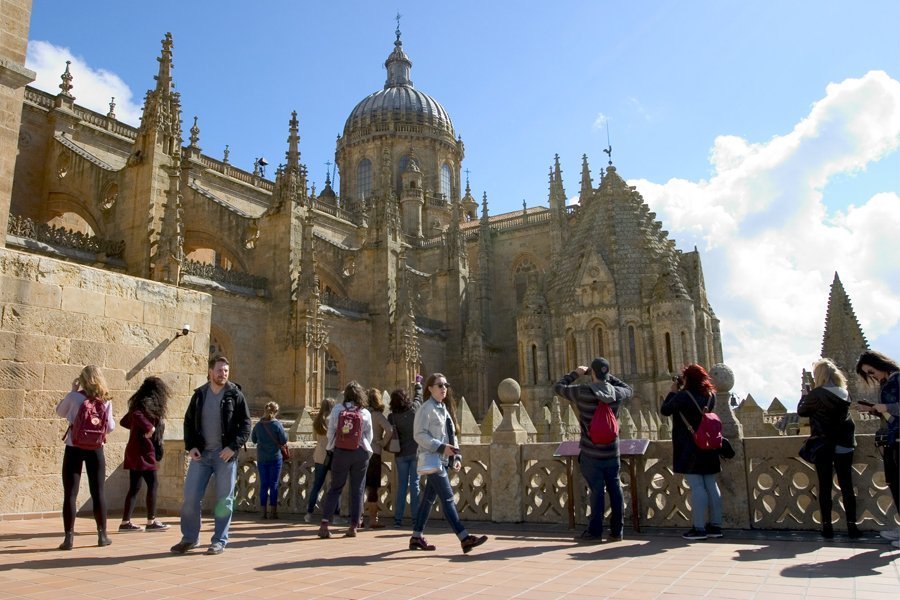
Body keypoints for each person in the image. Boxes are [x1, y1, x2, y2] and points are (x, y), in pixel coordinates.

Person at [170, 355, 251, 555]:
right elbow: (188, 423)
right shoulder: (200, 395)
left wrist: (233, 447)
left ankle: (219, 540)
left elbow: (246, 424)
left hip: (225, 456)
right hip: (202, 455)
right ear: (210, 372)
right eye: (219, 370)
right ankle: (189, 538)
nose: (223, 374)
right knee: (190, 498)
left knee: (224, 500)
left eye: (226, 371)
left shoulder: (235, 394)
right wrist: (192, 447)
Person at [554, 357, 633, 543]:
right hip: (612, 451)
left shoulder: (582, 392)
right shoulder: (617, 394)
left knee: (596, 491)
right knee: (615, 489)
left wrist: (578, 373)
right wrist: (607, 376)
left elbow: (558, 387)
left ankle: (595, 531)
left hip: (591, 452)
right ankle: (616, 531)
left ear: (593, 373)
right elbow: (629, 389)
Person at [408, 373, 488, 554]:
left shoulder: (443, 408)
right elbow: (419, 435)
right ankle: (464, 537)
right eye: (440, 385)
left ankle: (416, 537)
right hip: (432, 459)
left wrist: (456, 457)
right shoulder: (425, 409)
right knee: (448, 498)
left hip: (443, 460)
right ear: (429, 388)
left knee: (428, 499)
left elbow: (452, 435)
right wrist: (441, 447)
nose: (444, 388)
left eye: (446, 385)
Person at [797, 359, 860, 540]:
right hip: (844, 443)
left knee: (825, 486)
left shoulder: (816, 394)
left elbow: (802, 411)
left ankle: (827, 527)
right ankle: (852, 527)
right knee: (846, 485)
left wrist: (805, 394)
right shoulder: (844, 392)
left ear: (820, 376)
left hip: (824, 444)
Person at [55, 365, 116, 550]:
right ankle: (102, 535)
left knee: (70, 493)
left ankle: (68, 538)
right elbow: (111, 427)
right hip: (96, 449)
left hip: (74, 447)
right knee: (98, 492)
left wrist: (72, 392)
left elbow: (60, 412)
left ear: (82, 379)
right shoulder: (105, 400)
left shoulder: (74, 397)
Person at [660, 364, 723, 541]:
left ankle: (699, 528)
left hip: (690, 447)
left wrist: (673, 391)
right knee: (711, 484)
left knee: (697, 486)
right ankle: (716, 526)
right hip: (709, 445)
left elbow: (665, 410)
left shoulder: (682, 396)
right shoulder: (711, 396)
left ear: (687, 379)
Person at [855, 350, 900, 547]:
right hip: (892, 439)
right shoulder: (886, 383)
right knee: (894, 483)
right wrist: (872, 409)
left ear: (880, 364)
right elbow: (889, 416)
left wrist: (886, 407)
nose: (872, 377)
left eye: (871, 372)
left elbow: (893, 408)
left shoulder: (898, 379)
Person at [318, 381, 373, 539]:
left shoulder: (337, 409)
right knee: (358, 490)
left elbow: (331, 432)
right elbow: (369, 435)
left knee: (335, 488)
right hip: (360, 453)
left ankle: (324, 524)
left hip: (341, 453)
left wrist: (334, 447)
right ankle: (354, 526)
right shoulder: (365, 412)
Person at [118, 376, 171, 533]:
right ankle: (151, 520)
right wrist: (149, 428)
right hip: (144, 452)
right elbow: (135, 417)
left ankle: (126, 522)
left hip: (136, 451)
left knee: (135, 487)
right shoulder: (147, 405)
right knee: (152, 484)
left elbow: (125, 421)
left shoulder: (139, 404)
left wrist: (138, 430)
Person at [305, 397, 343, 523]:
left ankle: (309, 514)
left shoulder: (317, 420)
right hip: (332, 455)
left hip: (319, 456)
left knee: (317, 486)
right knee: (335, 486)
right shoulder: (332, 420)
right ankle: (336, 516)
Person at [251, 401, 288, 519]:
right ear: (276, 412)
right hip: (275, 458)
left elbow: (254, 440)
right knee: (274, 484)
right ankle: (273, 512)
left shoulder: (258, 425)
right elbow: (283, 440)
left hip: (262, 458)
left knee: (263, 484)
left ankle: (263, 512)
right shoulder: (277, 425)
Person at [389, 387, 420, 527]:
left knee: (402, 486)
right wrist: (418, 387)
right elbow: (418, 399)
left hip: (400, 455)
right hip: (415, 453)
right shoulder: (414, 411)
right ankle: (415, 518)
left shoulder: (392, 417)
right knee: (415, 485)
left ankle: (398, 520)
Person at [364, 387, 393, 528]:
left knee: (360, 487)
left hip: (361, 452)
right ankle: (373, 520)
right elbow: (390, 429)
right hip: (374, 453)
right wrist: (382, 442)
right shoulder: (377, 415)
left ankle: (357, 519)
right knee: (373, 488)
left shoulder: (362, 413)